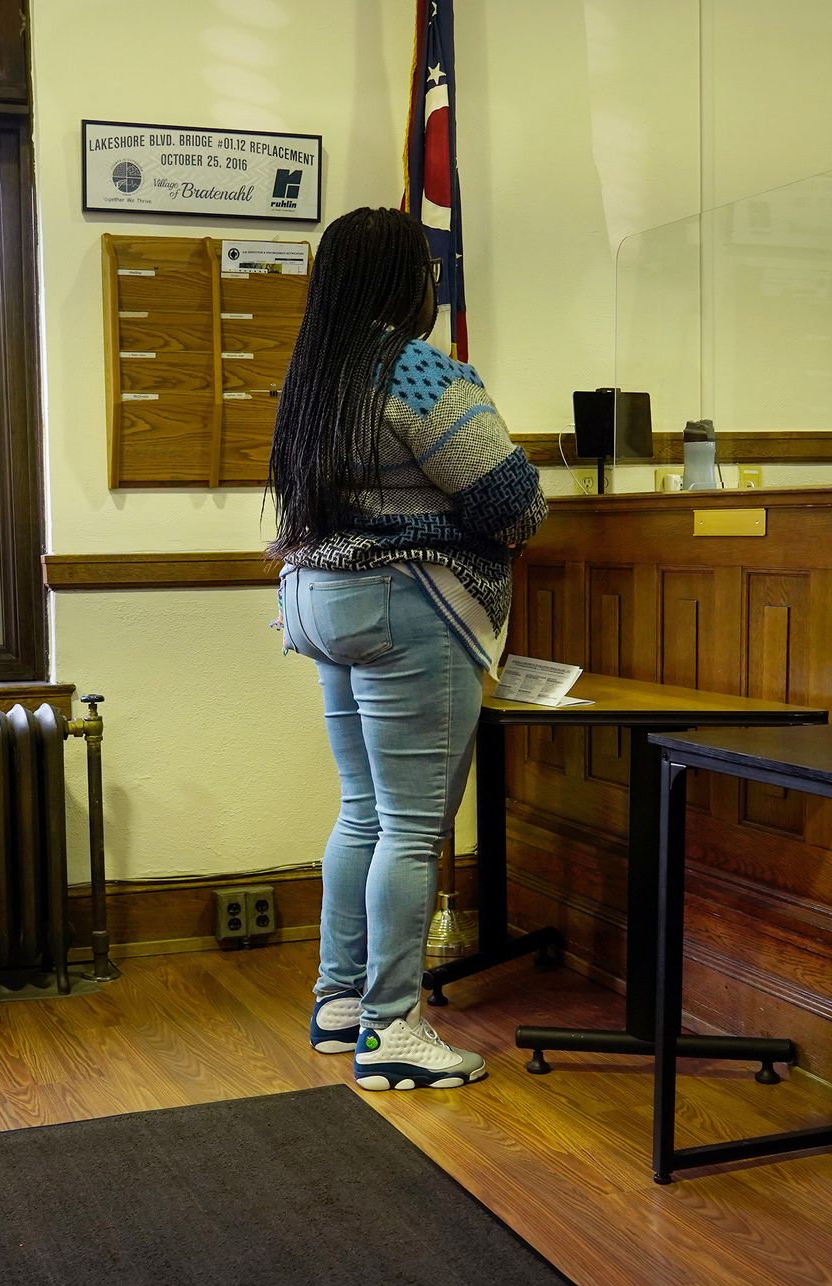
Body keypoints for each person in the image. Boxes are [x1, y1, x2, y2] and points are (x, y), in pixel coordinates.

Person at [267, 207, 548, 1092]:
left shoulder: (314, 374)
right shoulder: (414, 367)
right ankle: (393, 1032)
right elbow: (513, 502)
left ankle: (341, 1001)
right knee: (415, 827)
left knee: (363, 811)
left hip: (317, 597)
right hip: (404, 605)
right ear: (406, 280)